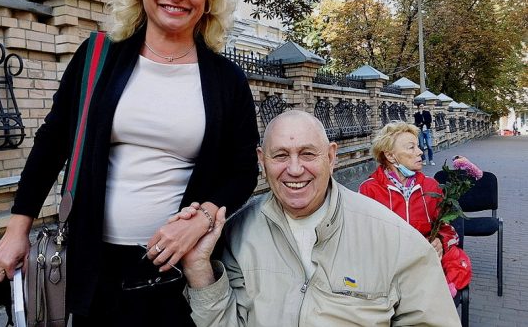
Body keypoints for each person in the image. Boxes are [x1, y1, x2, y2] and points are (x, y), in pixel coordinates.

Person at [0, 0, 259, 326]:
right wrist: (16, 230)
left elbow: (242, 170)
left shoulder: (226, 79)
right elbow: (51, 144)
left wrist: (202, 218)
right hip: (94, 265)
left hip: (177, 270)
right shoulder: (98, 57)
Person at [177, 110, 461, 326]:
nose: (295, 169)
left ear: (331, 156)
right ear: (262, 161)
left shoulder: (395, 238)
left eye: (308, 154)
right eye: (280, 156)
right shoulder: (236, 236)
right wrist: (199, 269)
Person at [359, 121, 471, 296]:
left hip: (424, 257)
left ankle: (436, 296)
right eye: (411, 148)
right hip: (387, 263)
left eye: (418, 146)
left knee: (459, 260)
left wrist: (440, 242)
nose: (420, 152)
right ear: (390, 156)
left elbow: (448, 229)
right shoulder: (369, 190)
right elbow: (360, 237)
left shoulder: (431, 186)